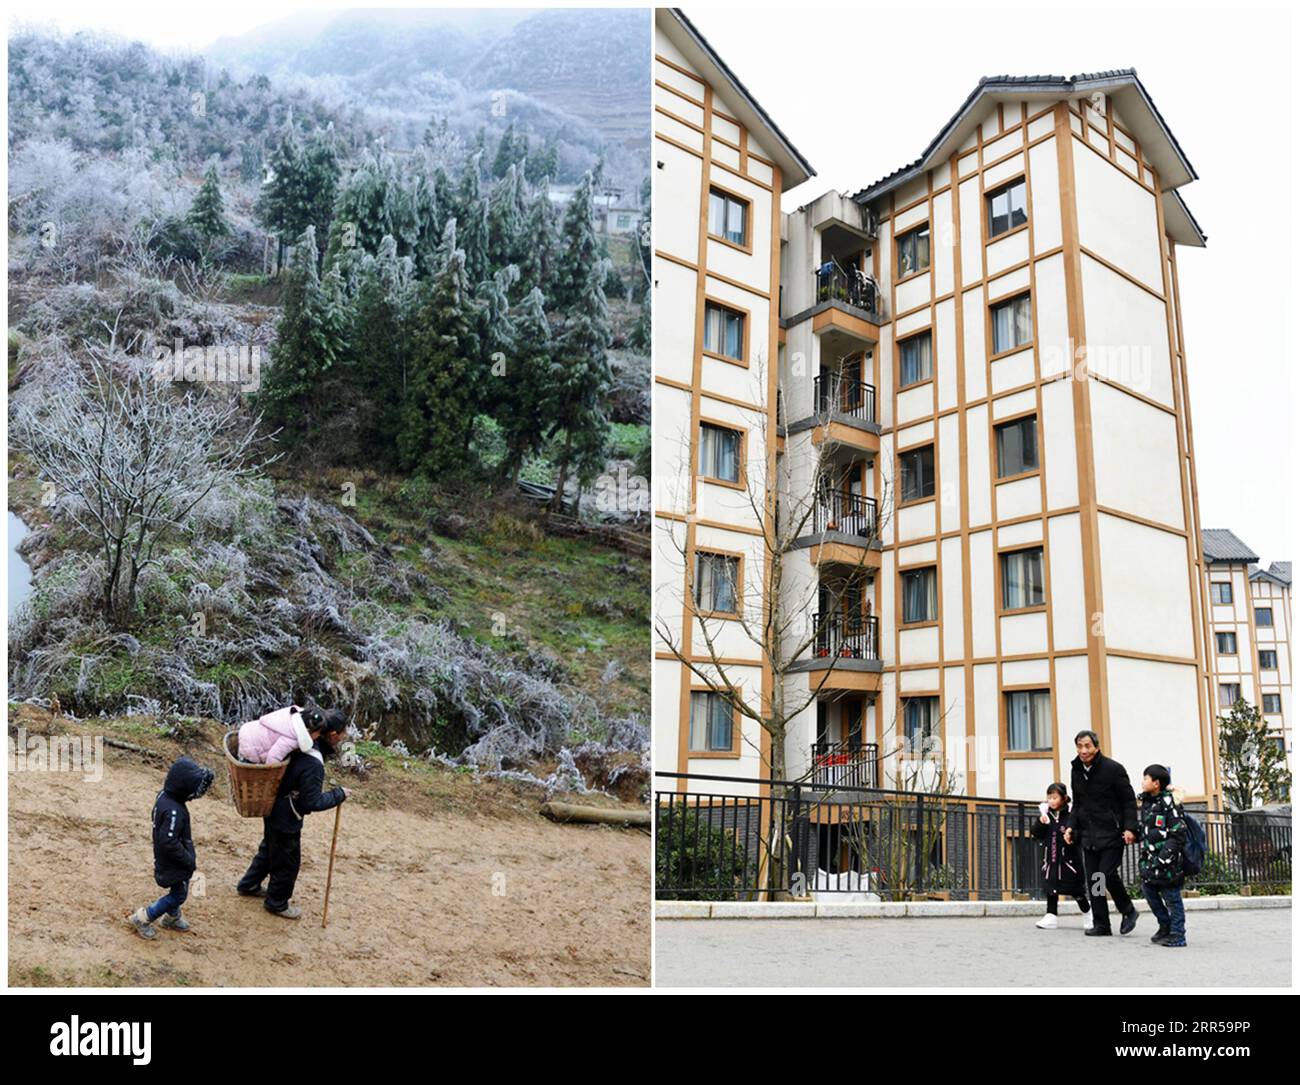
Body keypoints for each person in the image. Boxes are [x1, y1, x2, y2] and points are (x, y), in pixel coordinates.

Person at [236, 708, 351, 919]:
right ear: (333, 735)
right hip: (287, 814)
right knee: (288, 861)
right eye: (343, 733)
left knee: (271, 848)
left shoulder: (302, 741)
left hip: (272, 804)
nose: (344, 737)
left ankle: (249, 884)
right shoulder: (313, 762)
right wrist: (338, 795)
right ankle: (277, 903)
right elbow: (312, 801)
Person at [127, 755, 214, 940]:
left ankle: (173, 917)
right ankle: (143, 917)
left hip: (166, 858)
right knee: (178, 895)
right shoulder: (174, 811)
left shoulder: (164, 796)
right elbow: (168, 841)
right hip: (174, 862)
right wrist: (187, 859)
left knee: (178, 890)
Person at [1064, 730, 1140, 936]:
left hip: (1112, 832)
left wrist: (1130, 828)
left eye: (1087, 746)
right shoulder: (1076, 770)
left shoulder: (1113, 769)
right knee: (1095, 880)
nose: (1083, 750)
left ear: (1096, 747)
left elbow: (1128, 801)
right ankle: (1102, 924)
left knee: (1104, 875)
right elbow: (1077, 802)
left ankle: (1128, 910)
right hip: (1088, 834)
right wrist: (1071, 826)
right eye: (1079, 746)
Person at [1138, 764, 1189, 948]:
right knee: (1148, 890)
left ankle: (1178, 934)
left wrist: (1164, 857)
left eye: (1145, 778)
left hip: (1168, 861)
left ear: (1156, 783)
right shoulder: (1147, 802)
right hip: (1150, 859)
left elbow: (1178, 833)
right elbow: (1147, 828)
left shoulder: (1170, 803)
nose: (1142, 782)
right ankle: (1164, 926)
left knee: (1172, 898)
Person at [1030, 782, 1090, 929]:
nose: (1051, 801)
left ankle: (1088, 914)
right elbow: (1036, 834)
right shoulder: (1046, 815)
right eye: (1049, 797)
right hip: (1051, 860)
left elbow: (1080, 834)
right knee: (1051, 889)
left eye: (1055, 797)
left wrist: (1072, 835)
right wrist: (1040, 823)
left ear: (1063, 798)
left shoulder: (1071, 815)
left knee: (1077, 891)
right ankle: (1051, 916)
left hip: (1069, 861)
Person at [237, 703, 321, 764]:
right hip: (252, 747)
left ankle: (241, 757)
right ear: (309, 731)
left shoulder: (291, 713)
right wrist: (271, 775)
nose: (318, 736)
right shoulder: (292, 738)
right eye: (318, 733)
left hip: (248, 730)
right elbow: (272, 757)